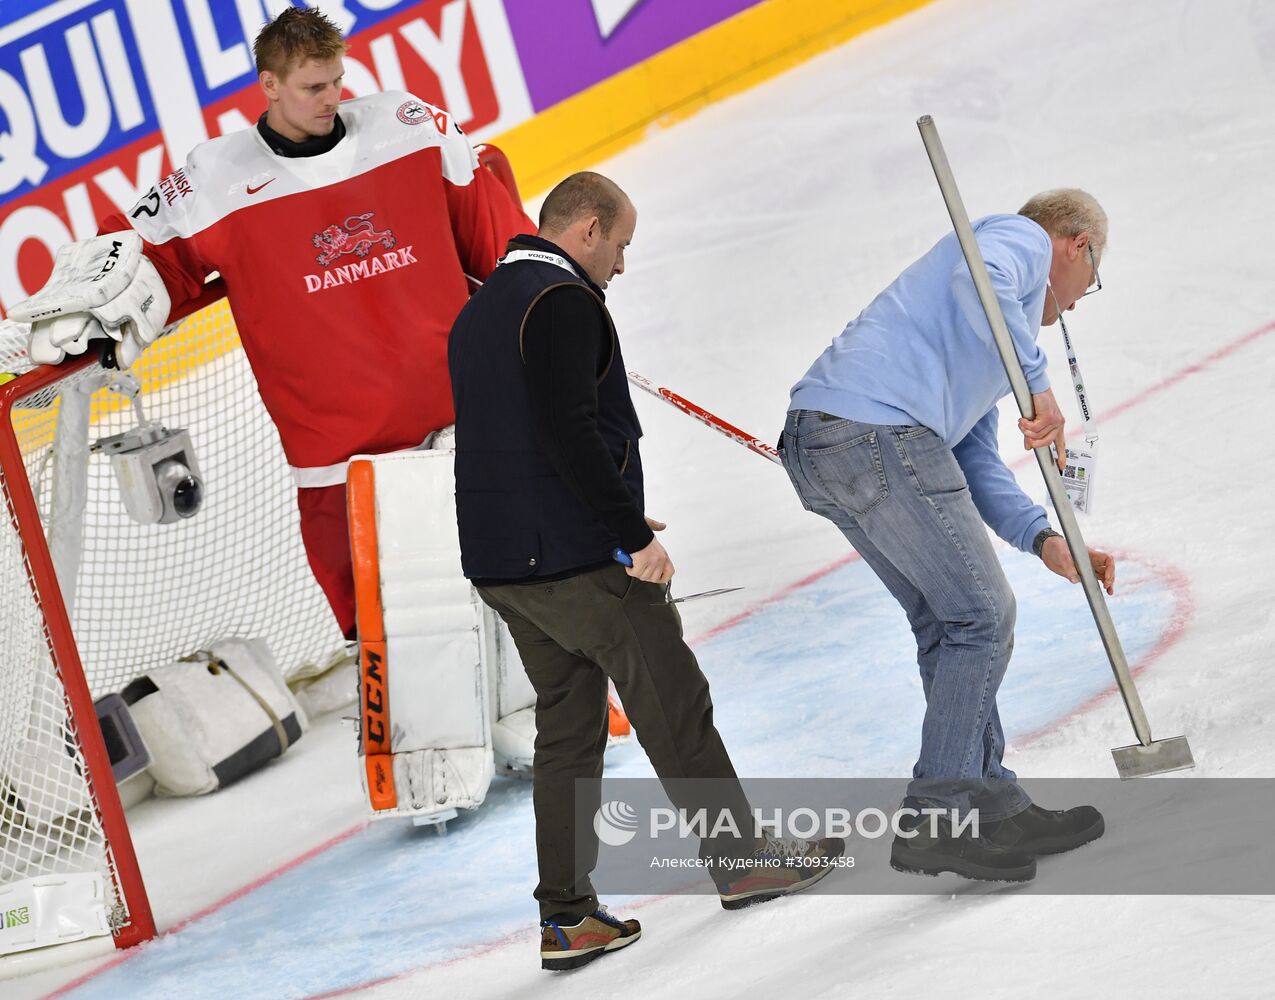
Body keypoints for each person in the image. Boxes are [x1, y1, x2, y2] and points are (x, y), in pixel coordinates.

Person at [18, 7, 533, 640]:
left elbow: (495, 237)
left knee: (537, 588)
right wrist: (83, 314)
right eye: (314, 87)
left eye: (338, 81)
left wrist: (550, 314)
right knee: (388, 647)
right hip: (336, 464)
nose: (332, 99)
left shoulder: (411, 125)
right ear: (269, 85)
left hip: (469, 422)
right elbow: (128, 257)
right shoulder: (213, 180)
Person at [448, 172, 844, 971]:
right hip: (571, 559)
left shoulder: (482, 305)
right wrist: (626, 532)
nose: (621, 265)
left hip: (503, 562)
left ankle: (566, 917)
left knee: (567, 732)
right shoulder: (558, 302)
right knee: (674, 702)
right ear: (587, 228)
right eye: (621, 245)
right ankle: (743, 861)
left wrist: (603, 507)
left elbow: (521, 434)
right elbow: (566, 427)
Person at [780, 189, 1112, 883]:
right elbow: (977, 277)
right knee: (982, 616)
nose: (1080, 301)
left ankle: (988, 803)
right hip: (872, 432)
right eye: (1092, 275)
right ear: (1075, 244)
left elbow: (972, 456)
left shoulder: (988, 341)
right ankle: (938, 816)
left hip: (831, 442)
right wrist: (1037, 381)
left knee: (947, 622)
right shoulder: (1019, 241)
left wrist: (1042, 538)